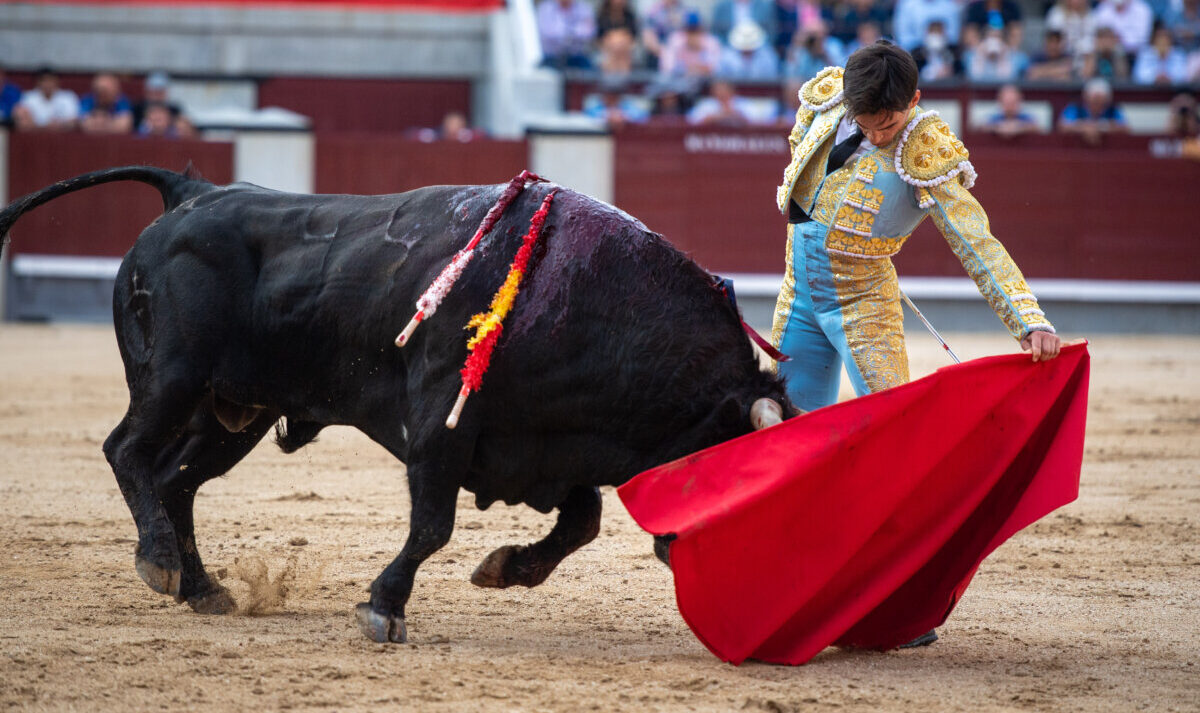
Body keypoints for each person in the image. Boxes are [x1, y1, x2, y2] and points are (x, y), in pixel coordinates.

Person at [772, 41, 1060, 419]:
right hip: (798, 294)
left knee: (891, 421)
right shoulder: (828, 99)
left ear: (914, 100)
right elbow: (799, 150)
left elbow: (973, 238)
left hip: (864, 304)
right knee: (787, 420)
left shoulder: (926, 148)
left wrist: (1028, 320)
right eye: (865, 125)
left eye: (888, 124)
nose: (877, 136)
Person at [1058, 77, 1129, 144]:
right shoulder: (1075, 107)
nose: (1097, 103)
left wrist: (1101, 127)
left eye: (1100, 101)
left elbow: (1125, 128)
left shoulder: (1113, 110)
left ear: (1107, 100)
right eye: (1094, 100)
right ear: (1086, 97)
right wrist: (1084, 128)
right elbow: (1063, 126)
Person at [660, 11, 722, 78]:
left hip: (706, 83)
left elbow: (717, 70)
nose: (692, 35)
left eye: (695, 30)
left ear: (702, 30)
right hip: (680, 82)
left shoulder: (711, 43)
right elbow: (667, 69)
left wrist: (699, 68)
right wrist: (687, 68)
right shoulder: (675, 41)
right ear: (683, 30)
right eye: (689, 30)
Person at [538, 0, 596, 69]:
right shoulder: (545, 8)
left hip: (577, 57)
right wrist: (575, 32)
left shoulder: (583, 8)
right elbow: (547, 33)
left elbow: (590, 32)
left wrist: (566, 33)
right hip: (551, 57)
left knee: (590, 73)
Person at [687, 79, 753, 125]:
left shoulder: (743, 103)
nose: (721, 93)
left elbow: (756, 120)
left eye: (724, 90)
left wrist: (737, 115)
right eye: (718, 90)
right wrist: (715, 117)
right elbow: (691, 121)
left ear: (732, 91)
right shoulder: (706, 104)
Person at [711, 0, 777, 45]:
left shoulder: (764, 6)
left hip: (758, 49)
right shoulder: (722, 7)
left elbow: (771, 31)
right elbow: (716, 32)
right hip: (728, 49)